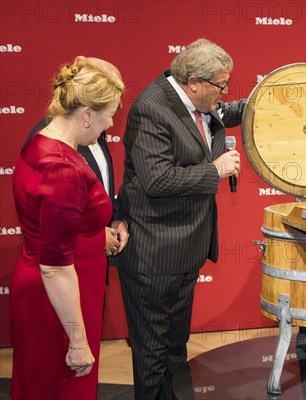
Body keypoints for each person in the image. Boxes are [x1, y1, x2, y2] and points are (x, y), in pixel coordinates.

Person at [114, 38, 245, 399]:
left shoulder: (198, 101)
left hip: (185, 249)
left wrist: (262, 103)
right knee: (153, 351)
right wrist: (214, 170)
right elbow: (157, 180)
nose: (225, 92)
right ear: (193, 82)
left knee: (175, 346)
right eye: (220, 85)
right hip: (154, 254)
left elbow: (224, 112)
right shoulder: (151, 109)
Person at [10, 56, 124, 399]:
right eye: (109, 116)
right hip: (60, 303)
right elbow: (54, 268)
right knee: (60, 386)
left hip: (60, 293)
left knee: (40, 385)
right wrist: (77, 340)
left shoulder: (43, 140)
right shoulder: (63, 168)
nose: (110, 125)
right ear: (86, 112)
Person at [25, 57, 129, 260]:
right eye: (111, 93)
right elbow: (49, 227)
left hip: (91, 265)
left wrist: (115, 219)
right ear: (89, 110)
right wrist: (98, 238)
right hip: (66, 266)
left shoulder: (95, 129)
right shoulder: (49, 147)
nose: (119, 107)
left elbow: (100, 188)